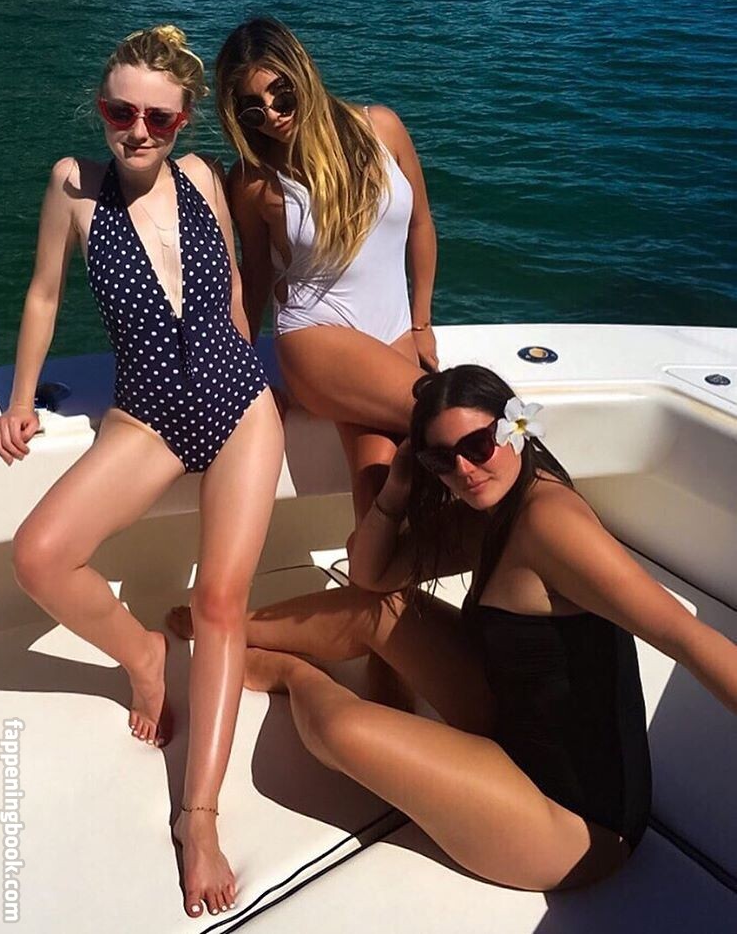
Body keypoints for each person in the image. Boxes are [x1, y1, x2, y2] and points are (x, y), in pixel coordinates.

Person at [225, 364, 737, 890]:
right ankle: (227, 631)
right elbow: (372, 577)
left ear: (517, 427)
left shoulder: (552, 524)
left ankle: (289, 675)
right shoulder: (492, 508)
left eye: (478, 445)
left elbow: (687, 637)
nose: (464, 469)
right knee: (379, 609)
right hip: (508, 716)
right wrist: (397, 488)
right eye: (441, 458)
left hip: (573, 820)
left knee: (341, 730)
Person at [0, 26, 283, 918]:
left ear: (183, 121)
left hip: (238, 403)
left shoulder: (202, 179)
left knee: (222, 602)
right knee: (40, 554)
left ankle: (199, 816)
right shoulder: (73, 188)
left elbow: (236, 289)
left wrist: (251, 363)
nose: (138, 130)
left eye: (158, 117)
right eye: (122, 112)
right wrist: (21, 399)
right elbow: (44, 293)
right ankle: (147, 658)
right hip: (147, 415)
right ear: (102, 109)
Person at [215, 16, 438, 528]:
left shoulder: (381, 127)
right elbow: (252, 280)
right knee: (455, 415)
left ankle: (366, 568)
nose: (273, 116)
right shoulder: (253, 181)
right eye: (253, 109)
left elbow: (422, 224)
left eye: (282, 95)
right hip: (317, 339)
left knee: (383, 495)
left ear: (303, 72)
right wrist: (241, 373)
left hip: (394, 335)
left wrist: (422, 321)